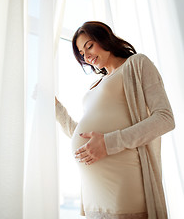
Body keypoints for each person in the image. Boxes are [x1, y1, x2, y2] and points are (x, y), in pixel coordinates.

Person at [55, 21, 175, 219]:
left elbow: (164, 118)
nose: (87, 56)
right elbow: (82, 134)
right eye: (82, 53)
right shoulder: (96, 85)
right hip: (95, 195)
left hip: (123, 189)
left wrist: (108, 143)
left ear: (105, 38)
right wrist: (56, 109)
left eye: (89, 46)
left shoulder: (137, 64)